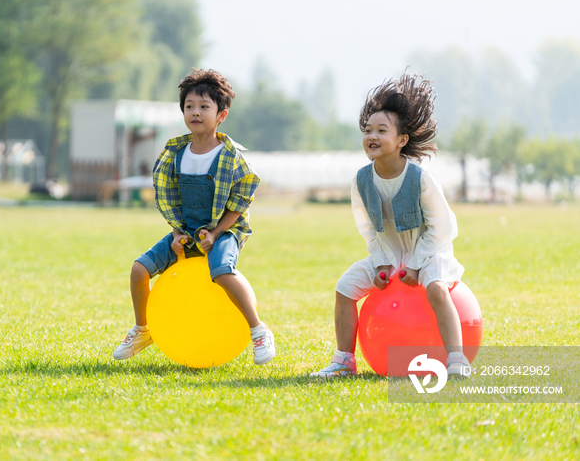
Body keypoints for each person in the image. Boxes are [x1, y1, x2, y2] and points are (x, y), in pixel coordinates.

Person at [311, 72, 470, 378]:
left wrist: (416, 264)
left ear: (401, 140)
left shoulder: (420, 179)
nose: (372, 136)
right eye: (368, 130)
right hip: (390, 255)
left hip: (430, 254)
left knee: (436, 288)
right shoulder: (361, 180)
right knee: (344, 288)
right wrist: (383, 264)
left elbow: (443, 227)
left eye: (381, 130)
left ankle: (456, 360)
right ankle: (344, 361)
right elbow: (369, 229)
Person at [113, 69, 275, 365]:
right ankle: (143, 328)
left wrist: (215, 233)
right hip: (186, 231)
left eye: (204, 107)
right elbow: (170, 197)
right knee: (139, 269)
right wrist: (176, 232)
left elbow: (240, 202)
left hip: (224, 231)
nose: (195, 112)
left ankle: (258, 329)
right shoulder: (175, 154)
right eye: (189, 106)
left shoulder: (231, 157)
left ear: (221, 114)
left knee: (222, 271)